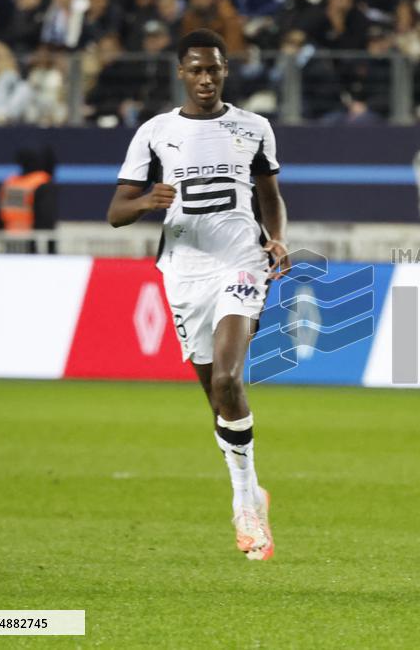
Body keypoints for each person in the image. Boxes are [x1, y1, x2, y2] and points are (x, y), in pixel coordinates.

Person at [107, 29, 290, 561]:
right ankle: (253, 488)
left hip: (241, 262)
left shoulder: (253, 128)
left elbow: (270, 196)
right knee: (217, 398)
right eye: (195, 70)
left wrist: (277, 238)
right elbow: (115, 212)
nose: (205, 79)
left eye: (214, 69)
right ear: (181, 74)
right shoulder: (155, 133)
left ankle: (243, 505)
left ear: (225, 71)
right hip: (184, 272)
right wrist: (145, 201)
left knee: (232, 379)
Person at [0, 146, 58, 253]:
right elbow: (46, 220)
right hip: (33, 242)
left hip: (10, 241)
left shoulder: (11, 183)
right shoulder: (42, 182)